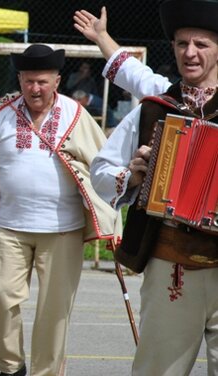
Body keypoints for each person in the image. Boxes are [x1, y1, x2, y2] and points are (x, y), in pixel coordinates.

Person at [0, 44, 121, 376]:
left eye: (42, 81)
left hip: (62, 229)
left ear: (56, 80)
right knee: (3, 298)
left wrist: (110, 218)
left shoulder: (74, 114)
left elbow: (104, 164)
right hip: (10, 227)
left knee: (55, 312)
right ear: (20, 80)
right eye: (29, 81)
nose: (35, 89)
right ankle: (11, 367)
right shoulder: (2, 115)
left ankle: (45, 373)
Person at [89, 0, 218, 374]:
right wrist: (132, 175)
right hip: (171, 264)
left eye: (201, 44)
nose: (189, 53)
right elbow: (100, 171)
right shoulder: (155, 109)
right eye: (181, 44)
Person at [73, 6, 172, 100]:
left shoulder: (176, 96)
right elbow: (134, 72)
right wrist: (101, 36)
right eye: (182, 44)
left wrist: (101, 36)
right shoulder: (174, 95)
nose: (188, 54)